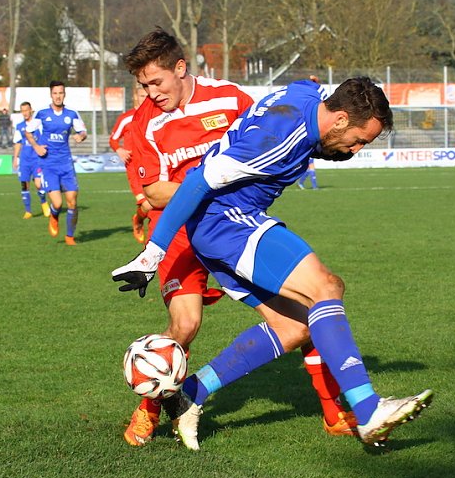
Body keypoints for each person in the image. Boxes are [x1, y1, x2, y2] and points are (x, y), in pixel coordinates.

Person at [113, 77, 433, 450]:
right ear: (342, 119)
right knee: (325, 287)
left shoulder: (308, 97)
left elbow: (305, 84)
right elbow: (197, 184)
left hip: (222, 225)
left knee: (294, 326)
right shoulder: (280, 138)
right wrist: (152, 254)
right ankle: (368, 410)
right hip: (225, 221)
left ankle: (192, 394)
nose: (357, 149)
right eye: (360, 139)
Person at [119, 28, 357, 448]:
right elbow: (155, 191)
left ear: (180, 67)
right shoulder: (143, 123)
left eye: (155, 82)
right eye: (143, 85)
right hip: (177, 235)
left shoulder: (229, 97)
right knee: (186, 324)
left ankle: (333, 411)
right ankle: (151, 407)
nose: (150, 93)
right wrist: (210, 188)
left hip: (232, 227)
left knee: (304, 311)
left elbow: (275, 133)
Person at [24, 81, 87, 246]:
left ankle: (70, 236)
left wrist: (81, 136)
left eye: (61, 93)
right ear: (51, 95)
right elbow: (28, 131)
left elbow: (82, 131)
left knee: (72, 201)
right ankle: (53, 216)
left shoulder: (72, 114)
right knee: (58, 203)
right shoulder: (42, 114)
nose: (58, 96)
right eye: (55, 93)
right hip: (49, 165)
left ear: (64, 94)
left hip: (66, 164)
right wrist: (36, 146)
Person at [108, 83, 150, 243]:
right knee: (146, 203)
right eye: (141, 96)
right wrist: (119, 150)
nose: (145, 99)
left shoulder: (156, 115)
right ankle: (138, 221)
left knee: (155, 204)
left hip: (153, 166)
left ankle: (142, 223)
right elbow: (113, 139)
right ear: (135, 97)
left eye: (147, 96)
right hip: (134, 168)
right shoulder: (126, 118)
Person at [12, 101, 50, 219]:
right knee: (24, 185)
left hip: (37, 159)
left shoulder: (39, 125)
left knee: (39, 184)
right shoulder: (19, 126)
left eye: (26, 110)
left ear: (31, 110)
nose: (25, 113)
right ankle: (28, 211)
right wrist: (15, 158)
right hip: (24, 160)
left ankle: (44, 203)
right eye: (22, 111)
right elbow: (18, 143)